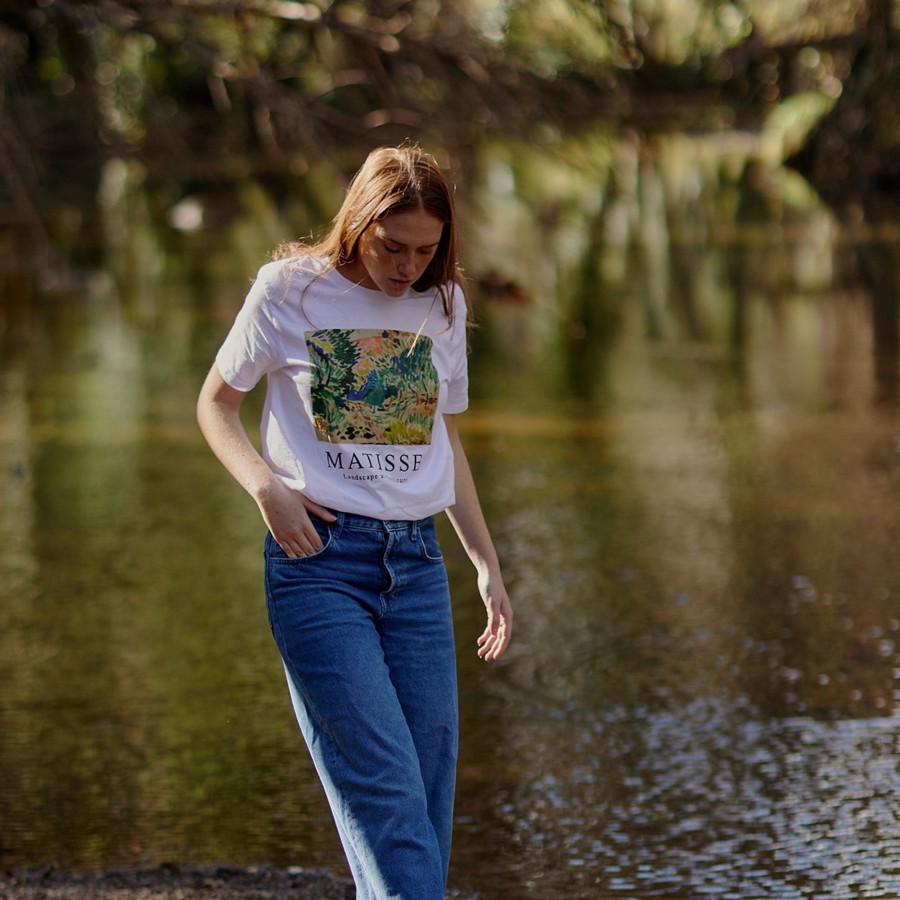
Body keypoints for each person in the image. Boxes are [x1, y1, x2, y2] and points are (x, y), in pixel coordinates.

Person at [196, 144, 513, 899]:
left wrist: (485, 563)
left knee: (428, 803)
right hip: (319, 568)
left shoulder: (442, 304)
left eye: (427, 250)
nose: (408, 265)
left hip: (418, 569)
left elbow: (446, 439)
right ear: (358, 222)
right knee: (387, 792)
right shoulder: (288, 291)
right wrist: (265, 488)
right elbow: (215, 404)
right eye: (392, 246)